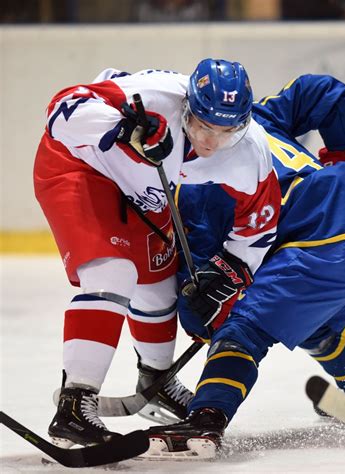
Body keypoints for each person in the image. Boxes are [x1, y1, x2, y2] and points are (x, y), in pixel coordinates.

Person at [146, 74, 345, 457]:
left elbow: (207, 298)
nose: (211, 140)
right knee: (312, 319)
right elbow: (324, 92)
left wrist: (204, 323)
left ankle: (206, 417)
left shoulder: (194, 187)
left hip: (320, 241)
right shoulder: (257, 118)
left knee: (241, 332)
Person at [33, 58, 281, 447]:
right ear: (187, 107)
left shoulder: (251, 152)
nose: (211, 141)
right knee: (113, 272)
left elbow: (258, 227)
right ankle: (74, 406)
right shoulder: (156, 95)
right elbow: (60, 111)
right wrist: (121, 128)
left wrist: (228, 270)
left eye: (227, 130)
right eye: (203, 126)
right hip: (79, 166)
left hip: (143, 193)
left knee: (159, 284)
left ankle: (156, 381)